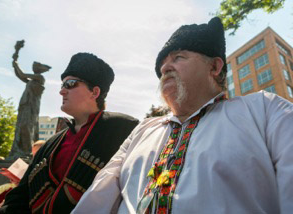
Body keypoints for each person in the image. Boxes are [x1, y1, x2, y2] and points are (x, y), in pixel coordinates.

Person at [72, 17, 293, 214]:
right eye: (162, 65)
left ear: (215, 66)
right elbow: (98, 197)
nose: (165, 67)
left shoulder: (264, 109)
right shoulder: (143, 130)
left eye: (178, 57)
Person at [0, 52, 138, 214]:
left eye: (71, 84)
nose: (62, 91)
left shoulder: (124, 128)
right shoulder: (52, 142)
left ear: (94, 92)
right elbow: (21, 197)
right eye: (62, 85)